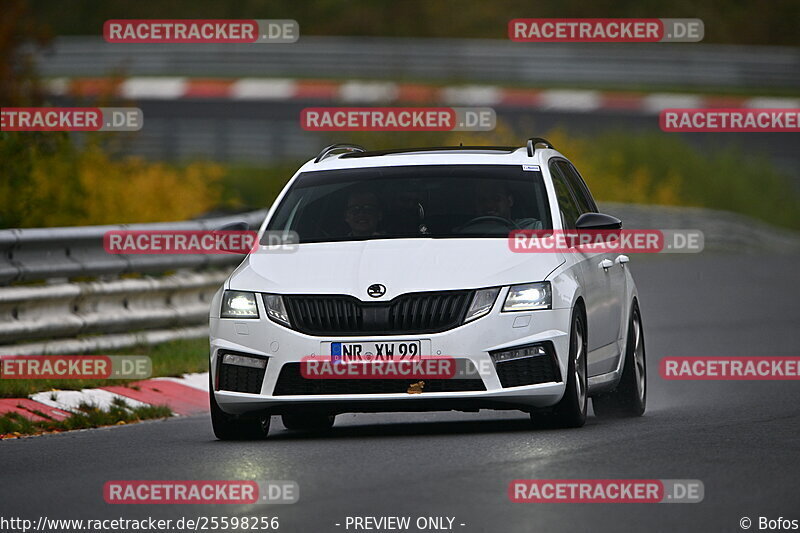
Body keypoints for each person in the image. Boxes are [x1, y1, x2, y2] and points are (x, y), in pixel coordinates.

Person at [473, 181, 542, 230]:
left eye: (496, 199)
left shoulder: (533, 228)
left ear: (509, 201)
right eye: (483, 200)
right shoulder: (465, 232)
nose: (489, 205)